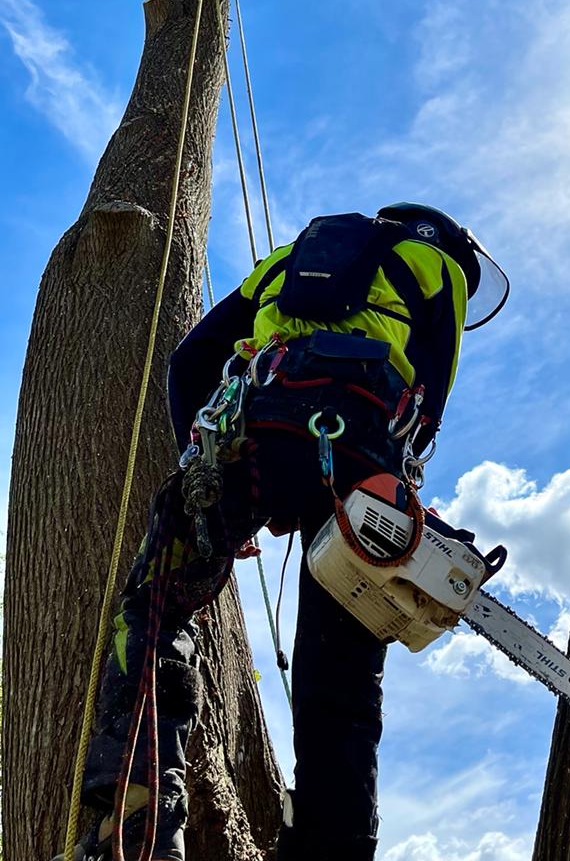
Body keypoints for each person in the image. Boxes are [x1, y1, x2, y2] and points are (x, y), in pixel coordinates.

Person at [57, 203, 509, 861]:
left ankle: (136, 814)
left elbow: (191, 362)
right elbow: (428, 403)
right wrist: (397, 481)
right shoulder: (439, 269)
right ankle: (332, 846)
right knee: (343, 684)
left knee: (156, 606)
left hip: (250, 437)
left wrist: (202, 463)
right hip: (361, 455)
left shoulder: (288, 257)